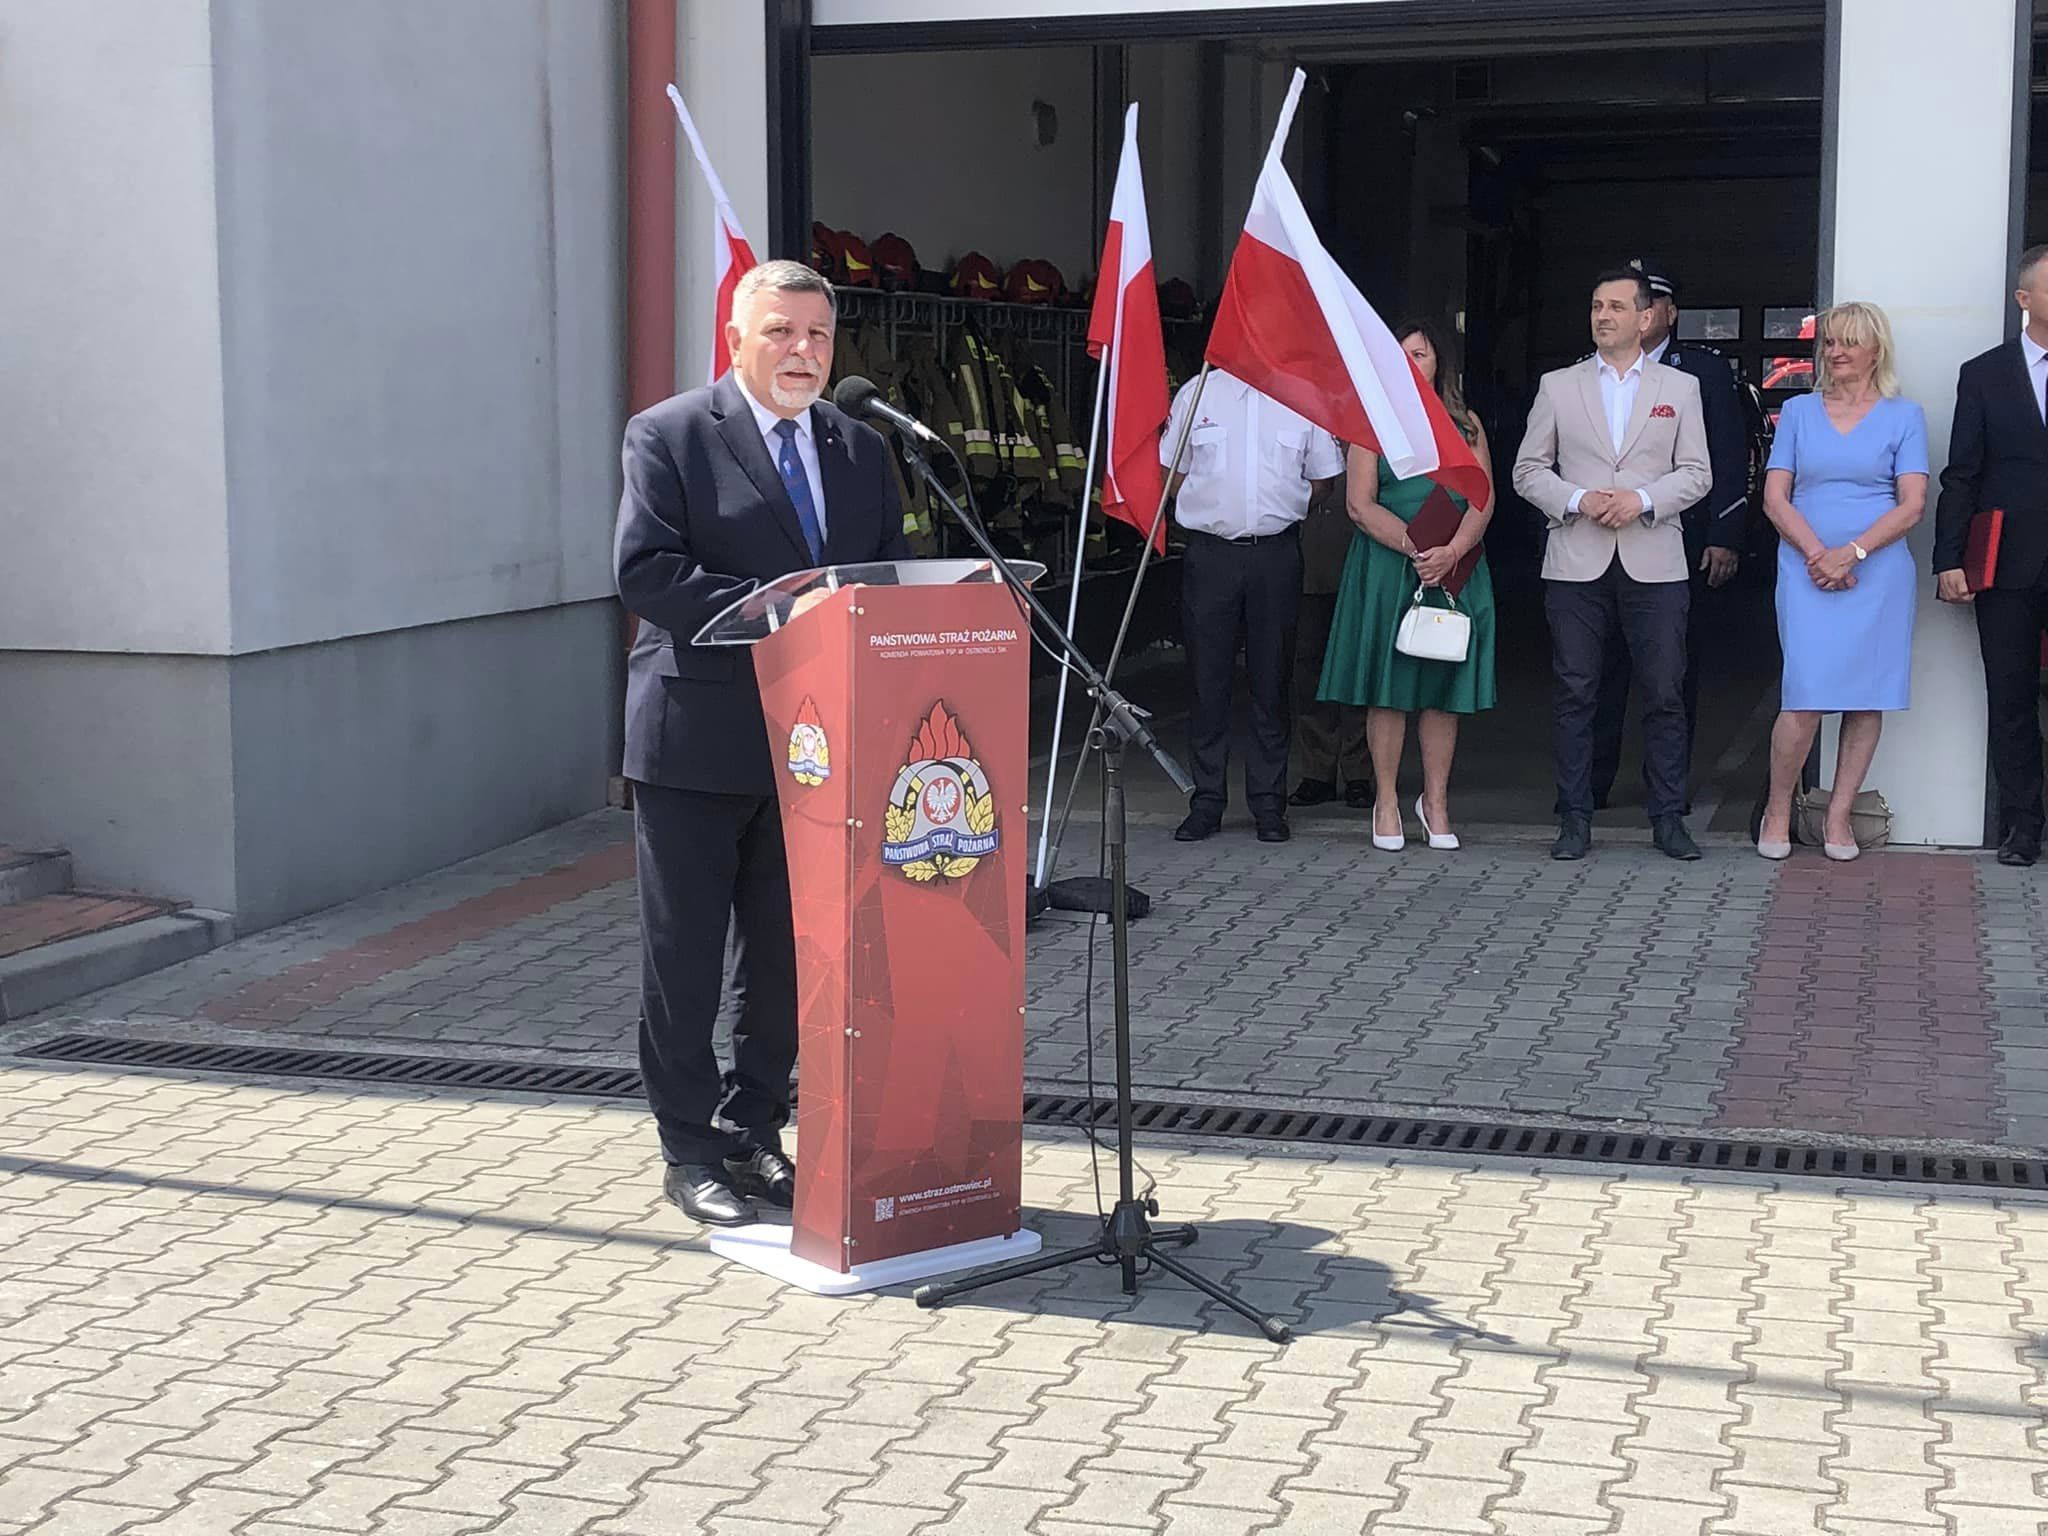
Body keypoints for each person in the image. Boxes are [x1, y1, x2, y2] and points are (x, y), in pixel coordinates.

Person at [614, 259, 910, 1226]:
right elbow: (647, 572)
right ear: (737, 337)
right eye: (781, 331)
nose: (802, 351)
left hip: (815, 747)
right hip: (698, 741)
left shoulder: (860, 447)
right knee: (686, 959)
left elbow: (887, 576)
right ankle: (689, 1149)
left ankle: (753, 1131)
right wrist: (782, 610)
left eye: (818, 335)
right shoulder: (669, 434)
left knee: (785, 960)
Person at [1513, 267, 1712, 862]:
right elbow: (1527, 470)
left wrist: (1642, 500)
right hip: (1577, 559)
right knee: (1576, 691)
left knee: (1664, 692)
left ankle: (1668, 818)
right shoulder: (1558, 385)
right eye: (1597, 306)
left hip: (1655, 560)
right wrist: (1578, 499)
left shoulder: (1680, 389)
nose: (1603, 316)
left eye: (1617, 307)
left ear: (1646, 318)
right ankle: (1574, 817)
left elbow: (1698, 473)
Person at [1755, 302, 1927, 861]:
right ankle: (1778, 811)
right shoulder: (1799, 411)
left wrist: (1852, 554)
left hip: (1877, 573)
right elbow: (1775, 496)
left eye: (1848, 341)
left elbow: (1912, 504)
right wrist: (1818, 556)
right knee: (1803, 696)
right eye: (1829, 342)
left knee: (1865, 697)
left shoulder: (1905, 416)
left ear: (1876, 349)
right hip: (1805, 569)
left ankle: (1838, 816)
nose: (1835, 352)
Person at [1317, 320, 1497, 851]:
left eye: (1419, 354)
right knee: (1389, 689)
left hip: (1455, 565)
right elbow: (1359, 503)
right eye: (1398, 356)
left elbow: (1483, 497)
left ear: (1440, 362)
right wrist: (1419, 550)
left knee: (1444, 690)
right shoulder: (1371, 422)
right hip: (1390, 565)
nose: (1409, 364)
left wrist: (1452, 552)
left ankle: (1435, 803)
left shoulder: (1466, 424)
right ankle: (1387, 801)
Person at [1586, 258, 1752, 812]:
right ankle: (1591, 786)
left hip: (1680, 539)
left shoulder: (1702, 372)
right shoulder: (1588, 371)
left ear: (1668, 312)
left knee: (1671, 673)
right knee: (1600, 669)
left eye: (1649, 301)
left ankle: (1667, 790)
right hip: (1601, 540)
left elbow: (1728, 456)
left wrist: (1726, 533)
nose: (1639, 311)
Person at [1162, 369, 1344, 844]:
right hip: (1211, 554)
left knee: (1272, 679)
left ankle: (1268, 804)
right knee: (1207, 681)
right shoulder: (1197, 392)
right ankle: (1206, 802)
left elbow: (1324, 479)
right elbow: (1172, 474)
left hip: (1275, 554)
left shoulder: (1303, 395)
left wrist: (1280, 506)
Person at [1934, 245, 2048, 866]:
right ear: (2024, 299)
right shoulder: (1984, 373)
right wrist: (1949, 558)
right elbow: (1962, 473)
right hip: (2009, 564)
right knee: (2011, 701)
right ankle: (2022, 827)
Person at [1289, 458, 1371, 812]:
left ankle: (1359, 773)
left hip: (1358, 563)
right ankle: (1317, 772)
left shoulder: (1368, 433)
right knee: (1308, 673)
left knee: (1357, 669)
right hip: (1302, 564)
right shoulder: (1299, 427)